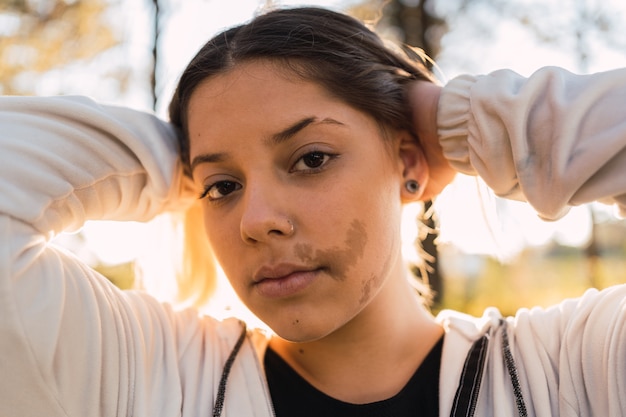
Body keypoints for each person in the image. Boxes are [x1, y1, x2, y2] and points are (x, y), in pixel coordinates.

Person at [1, 5, 625, 417]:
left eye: (311, 158)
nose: (257, 220)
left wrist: (454, 122)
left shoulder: (574, 368)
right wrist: (172, 162)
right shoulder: (145, 377)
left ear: (409, 164)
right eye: (223, 188)